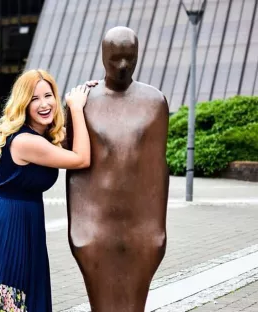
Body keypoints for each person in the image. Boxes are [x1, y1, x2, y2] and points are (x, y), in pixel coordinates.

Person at [0, 69, 91, 312]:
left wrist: (86, 94)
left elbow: (69, 139)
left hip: (22, 218)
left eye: (48, 96)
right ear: (24, 104)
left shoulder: (39, 136)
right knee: (9, 294)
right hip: (9, 222)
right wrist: (76, 109)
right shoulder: (27, 141)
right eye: (34, 99)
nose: (44, 104)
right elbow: (82, 158)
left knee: (20, 293)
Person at [66, 26, 169, 311]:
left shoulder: (154, 102)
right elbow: (72, 164)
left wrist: (157, 232)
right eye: (115, 59)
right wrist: (78, 232)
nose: (123, 66)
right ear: (102, 57)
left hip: (141, 227)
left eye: (130, 58)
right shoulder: (84, 102)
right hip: (95, 225)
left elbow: (157, 169)